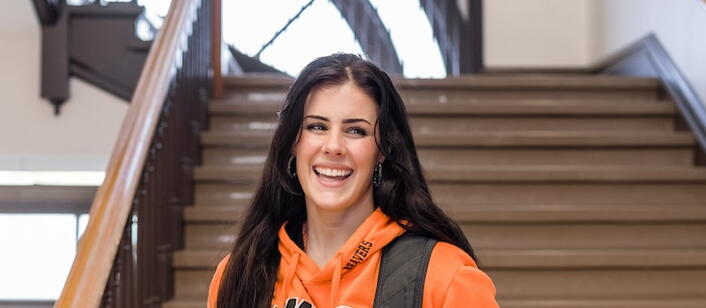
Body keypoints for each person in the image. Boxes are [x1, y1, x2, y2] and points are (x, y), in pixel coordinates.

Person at [208, 53, 499, 308]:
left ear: (382, 149)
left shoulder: (444, 276)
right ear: (293, 142)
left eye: (355, 131)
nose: (333, 146)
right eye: (317, 126)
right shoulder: (238, 275)